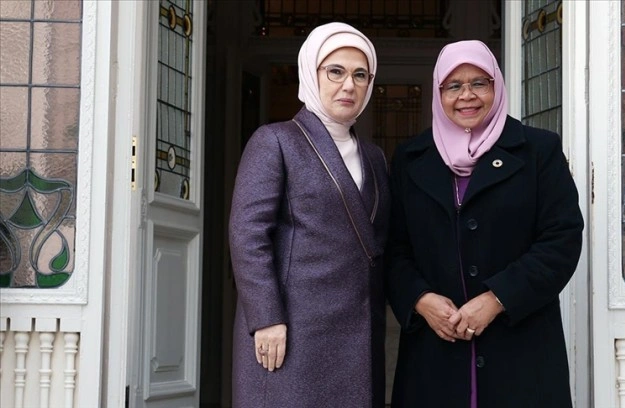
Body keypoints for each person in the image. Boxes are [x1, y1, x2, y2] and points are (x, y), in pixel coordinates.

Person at [385, 40, 584, 407]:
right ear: (438, 93)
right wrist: (420, 299)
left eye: (479, 83)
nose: (467, 96)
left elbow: (562, 239)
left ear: (497, 86)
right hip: (435, 352)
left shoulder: (538, 151)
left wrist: (498, 298)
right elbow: (394, 247)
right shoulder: (410, 159)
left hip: (520, 350)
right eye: (453, 85)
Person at [228, 22, 390, 408]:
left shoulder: (375, 157)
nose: (348, 85)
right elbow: (248, 234)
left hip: (358, 331)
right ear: (311, 73)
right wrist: (266, 317)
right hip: (291, 328)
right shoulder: (276, 141)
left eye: (360, 75)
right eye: (335, 71)